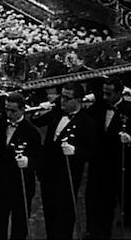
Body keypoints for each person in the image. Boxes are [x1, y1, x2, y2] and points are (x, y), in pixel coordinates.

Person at [38, 82, 97, 240]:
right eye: (61, 96)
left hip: (68, 176)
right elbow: (37, 122)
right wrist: (41, 109)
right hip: (48, 173)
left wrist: (75, 151)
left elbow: (91, 152)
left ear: (78, 100)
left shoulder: (87, 122)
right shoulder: (56, 112)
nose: (62, 100)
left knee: (63, 215)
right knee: (49, 213)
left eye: (67, 98)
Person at [86, 77, 131, 239]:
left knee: (116, 204)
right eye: (103, 93)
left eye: (108, 94)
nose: (104, 97)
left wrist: (130, 140)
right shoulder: (98, 107)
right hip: (98, 165)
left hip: (118, 166)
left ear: (118, 93)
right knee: (95, 203)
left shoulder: (130, 111)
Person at [0, 92, 41, 240]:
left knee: (20, 223)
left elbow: (39, 159)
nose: (9, 113)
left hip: (21, 183)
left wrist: (28, 161)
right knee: (1, 220)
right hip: (3, 181)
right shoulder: (1, 125)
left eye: (13, 110)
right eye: (7, 110)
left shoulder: (32, 132)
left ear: (22, 110)